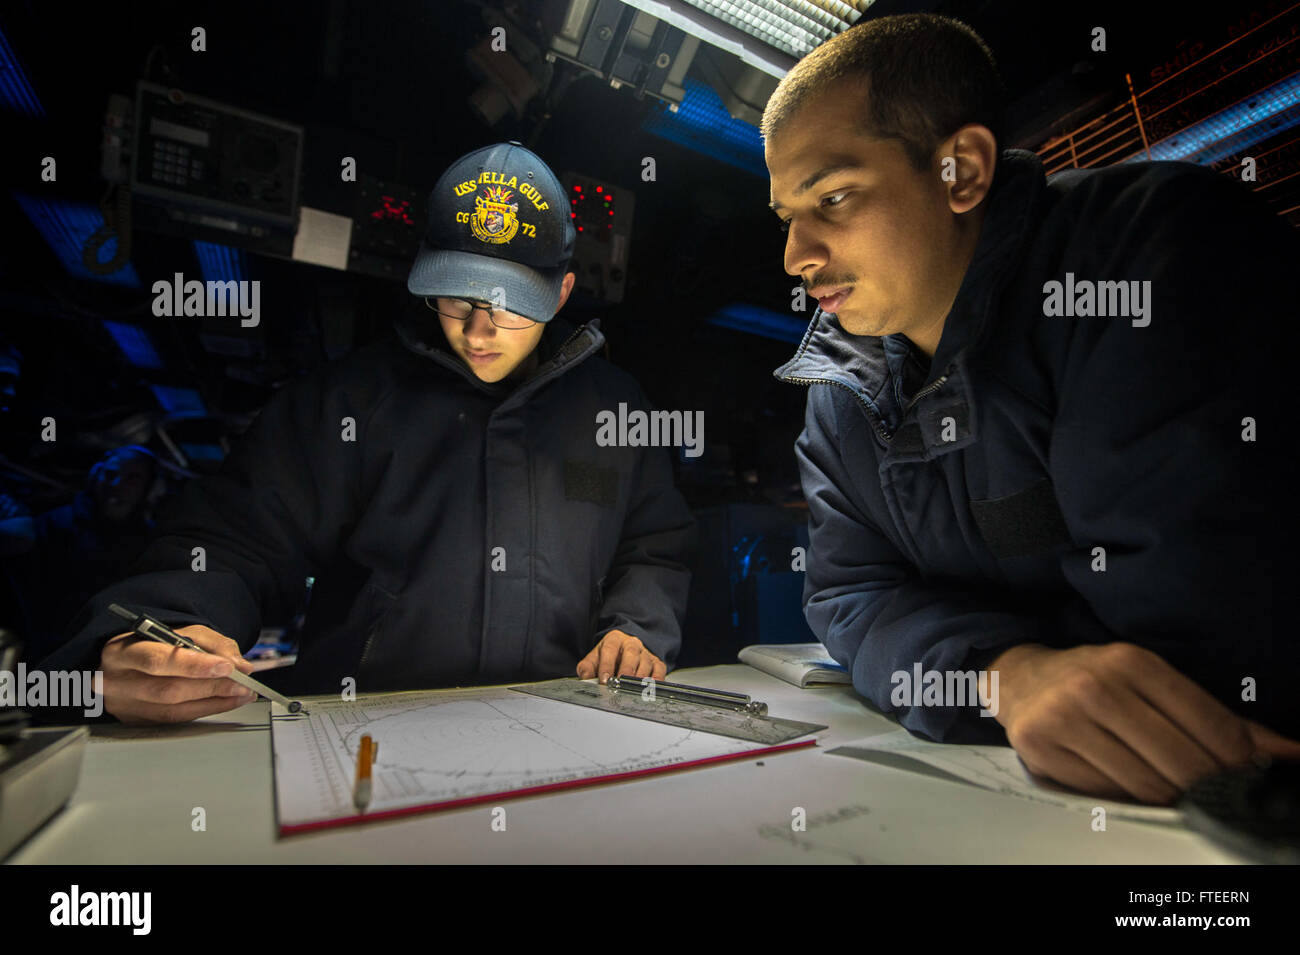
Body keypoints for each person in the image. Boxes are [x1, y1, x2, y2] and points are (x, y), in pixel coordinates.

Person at [764, 14, 1300, 804]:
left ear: (963, 171)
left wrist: (954, 650)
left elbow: (1199, 658)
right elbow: (849, 598)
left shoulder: (1144, 265)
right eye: (787, 217)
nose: (795, 256)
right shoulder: (839, 397)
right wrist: (1002, 675)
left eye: (834, 197)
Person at [38, 142, 694, 724]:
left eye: (509, 304)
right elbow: (233, 541)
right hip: (371, 735)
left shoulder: (616, 412)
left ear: (561, 293)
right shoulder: (349, 401)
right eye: (457, 297)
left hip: (563, 725)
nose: (477, 329)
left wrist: (635, 627)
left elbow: (654, 545)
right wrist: (170, 625)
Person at [2, 445, 158, 661]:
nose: (116, 485)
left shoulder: (152, 542)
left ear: (148, 488)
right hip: (43, 655)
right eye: (110, 474)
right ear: (95, 476)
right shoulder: (54, 524)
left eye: (132, 479)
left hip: (107, 657)